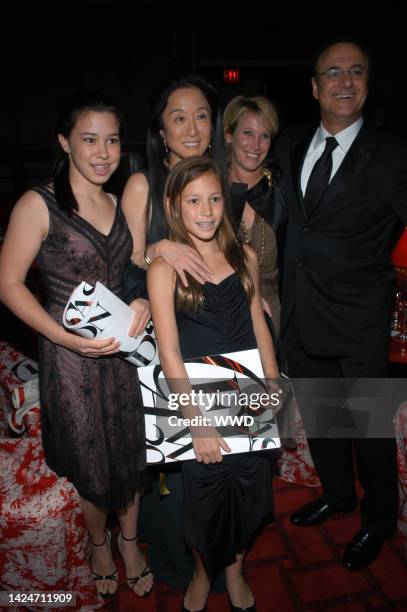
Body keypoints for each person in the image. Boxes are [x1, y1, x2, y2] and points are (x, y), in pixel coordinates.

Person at [0, 89, 153, 598]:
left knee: (131, 452)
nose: (103, 152)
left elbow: (132, 272)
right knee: (92, 463)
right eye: (90, 140)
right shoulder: (37, 203)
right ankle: (99, 543)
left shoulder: (116, 200)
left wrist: (144, 302)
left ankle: (129, 540)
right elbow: (9, 285)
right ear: (65, 141)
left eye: (111, 140)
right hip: (70, 359)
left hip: (125, 354)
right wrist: (63, 338)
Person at [274, 38, 407, 571]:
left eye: (356, 72)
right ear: (314, 87)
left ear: (368, 85)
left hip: (358, 318)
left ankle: (378, 521)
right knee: (323, 419)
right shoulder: (289, 144)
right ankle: (337, 494)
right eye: (333, 72)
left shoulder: (395, 153)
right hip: (300, 314)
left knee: (369, 429)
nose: (345, 82)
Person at [147, 155, 281, 612]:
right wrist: (196, 423)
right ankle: (204, 571)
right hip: (199, 406)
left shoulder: (243, 255)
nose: (205, 211)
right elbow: (168, 353)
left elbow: (258, 325)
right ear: (174, 207)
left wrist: (272, 379)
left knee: (249, 494)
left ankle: (235, 571)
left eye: (214, 199)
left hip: (247, 397)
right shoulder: (164, 270)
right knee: (205, 504)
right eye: (193, 201)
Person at [122, 72, 226, 301]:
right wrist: (161, 249)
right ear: (162, 132)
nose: (192, 130)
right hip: (168, 312)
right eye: (179, 119)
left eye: (201, 116)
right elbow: (130, 261)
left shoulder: (220, 181)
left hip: (218, 311)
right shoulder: (143, 186)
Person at [223, 94, 285, 333]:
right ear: (229, 135)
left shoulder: (281, 189)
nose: (256, 145)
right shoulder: (209, 185)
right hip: (220, 307)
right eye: (248, 133)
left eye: (265, 136)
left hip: (272, 309)